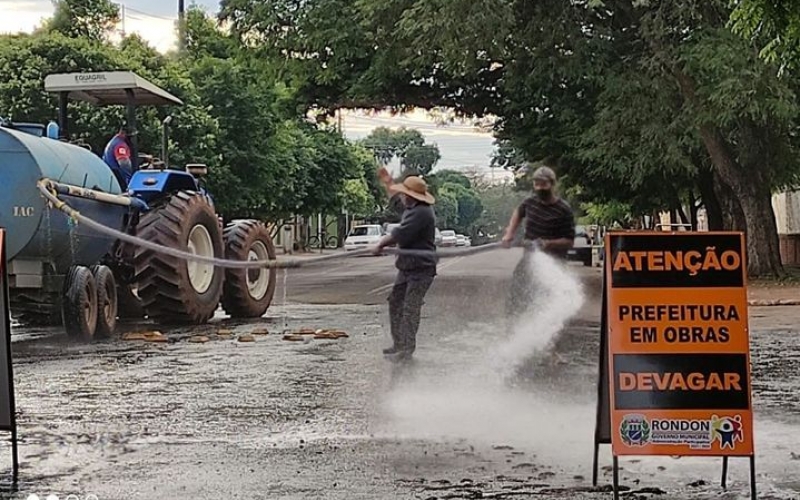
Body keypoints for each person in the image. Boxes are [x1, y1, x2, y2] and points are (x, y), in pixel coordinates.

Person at [372, 167, 438, 362]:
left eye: (404, 193)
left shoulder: (422, 213)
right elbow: (395, 204)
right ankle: (398, 343)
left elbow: (401, 233)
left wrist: (380, 244)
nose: (401, 196)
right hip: (407, 266)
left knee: (410, 307)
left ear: (411, 196)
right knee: (396, 302)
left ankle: (406, 349)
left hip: (421, 268)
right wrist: (388, 183)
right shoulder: (412, 209)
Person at [501, 165, 576, 317]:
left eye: (544, 184)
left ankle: (547, 327)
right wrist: (510, 233)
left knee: (547, 296)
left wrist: (549, 244)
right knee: (517, 292)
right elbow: (518, 213)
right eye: (537, 184)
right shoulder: (530, 203)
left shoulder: (563, 209)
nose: (540, 188)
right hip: (529, 259)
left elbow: (569, 241)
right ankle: (513, 324)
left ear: (552, 184)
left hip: (555, 262)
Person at [103, 126, 134, 190]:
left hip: (109, 174)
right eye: (129, 136)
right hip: (117, 176)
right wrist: (130, 179)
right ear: (123, 133)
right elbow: (123, 162)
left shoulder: (113, 141)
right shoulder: (120, 144)